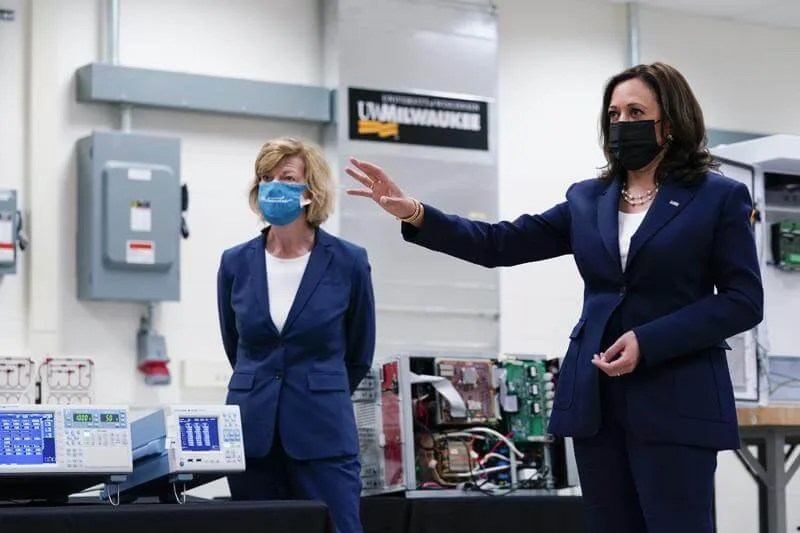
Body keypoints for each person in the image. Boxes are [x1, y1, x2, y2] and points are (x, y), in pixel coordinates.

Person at [345, 62, 763, 533]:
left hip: (677, 399)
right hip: (596, 403)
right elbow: (498, 243)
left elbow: (742, 299)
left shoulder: (718, 197)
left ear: (671, 122)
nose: (622, 123)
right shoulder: (588, 199)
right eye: (614, 114)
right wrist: (417, 212)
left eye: (636, 111)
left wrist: (649, 341)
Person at [217, 136, 375, 533]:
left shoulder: (348, 261)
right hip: (253, 434)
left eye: (286, 177)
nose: (274, 186)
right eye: (266, 178)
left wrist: (318, 388)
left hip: (322, 433)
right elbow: (237, 347)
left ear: (311, 190)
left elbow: (358, 352)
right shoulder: (235, 262)